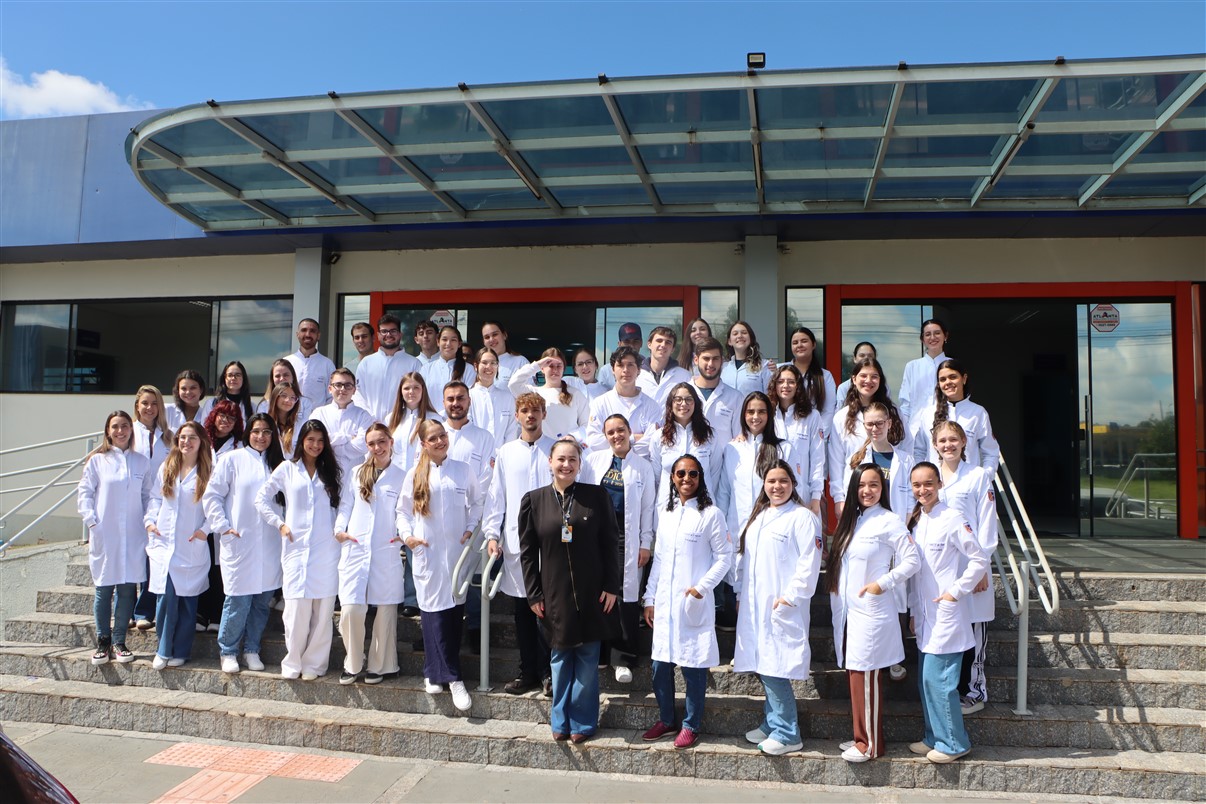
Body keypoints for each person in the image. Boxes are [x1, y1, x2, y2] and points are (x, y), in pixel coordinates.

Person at [518, 438, 621, 743]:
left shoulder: (596, 496)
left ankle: (583, 723)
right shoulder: (534, 501)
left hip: (593, 593)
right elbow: (527, 553)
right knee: (560, 660)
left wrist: (611, 586)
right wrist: (534, 594)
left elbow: (610, 543)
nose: (566, 465)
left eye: (572, 459)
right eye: (561, 459)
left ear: (580, 463)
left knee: (588, 661)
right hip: (554, 594)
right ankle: (560, 720)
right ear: (550, 462)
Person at [826, 464, 920, 763]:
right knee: (855, 674)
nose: (867, 491)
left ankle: (871, 745)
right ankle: (860, 735)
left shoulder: (889, 521)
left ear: (883, 489)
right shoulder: (852, 520)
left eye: (874, 485)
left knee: (865, 676)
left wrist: (883, 583)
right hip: (849, 613)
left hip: (871, 611)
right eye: (862, 485)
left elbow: (913, 560)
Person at [641, 454, 731, 750]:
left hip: (692, 602)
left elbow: (724, 558)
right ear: (672, 477)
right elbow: (659, 560)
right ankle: (667, 719)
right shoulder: (666, 514)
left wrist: (701, 589)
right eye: (681, 473)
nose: (686, 479)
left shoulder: (710, 514)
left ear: (700, 478)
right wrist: (649, 597)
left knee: (693, 667)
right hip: (665, 604)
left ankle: (691, 725)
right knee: (659, 666)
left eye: (693, 474)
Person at [733, 461, 822, 756]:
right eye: (771, 481)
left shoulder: (802, 517)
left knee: (775, 668)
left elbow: (809, 562)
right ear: (764, 484)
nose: (777, 486)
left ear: (793, 484)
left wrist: (790, 597)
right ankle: (772, 723)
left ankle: (787, 732)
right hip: (755, 605)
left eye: (783, 480)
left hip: (782, 604)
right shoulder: (759, 516)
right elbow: (745, 560)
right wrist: (740, 594)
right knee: (764, 665)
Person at [906, 461, 989, 764]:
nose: (923, 490)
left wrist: (956, 591)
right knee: (925, 682)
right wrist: (913, 612)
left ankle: (954, 743)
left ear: (939, 484)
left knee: (939, 681)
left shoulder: (953, 518)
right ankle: (934, 736)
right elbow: (916, 575)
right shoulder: (917, 521)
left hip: (946, 614)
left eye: (928, 483)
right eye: (917, 485)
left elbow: (979, 559)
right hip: (925, 615)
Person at [398, 420, 481, 710]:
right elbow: (402, 512)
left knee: (453, 614)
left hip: (456, 555)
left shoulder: (463, 470)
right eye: (432, 438)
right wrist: (408, 537)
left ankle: (433, 672)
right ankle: (454, 678)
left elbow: (477, 503)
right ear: (423, 444)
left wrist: (470, 528)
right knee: (434, 615)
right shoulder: (414, 474)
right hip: (428, 554)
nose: (440, 441)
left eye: (442, 435)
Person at [255, 420, 342, 681]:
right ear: (301, 441)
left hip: (326, 549)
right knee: (294, 612)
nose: (315, 445)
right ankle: (292, 661)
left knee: (323, 612)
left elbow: (341, 506)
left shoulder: (332, 471)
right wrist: (279, 523)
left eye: (320, 440)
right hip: (296, 549)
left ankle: (314, 665)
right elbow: (261, 498)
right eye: (310, 439)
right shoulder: (287, 469)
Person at [483, 392, 556, 695]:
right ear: (516, 416)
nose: (530, 415)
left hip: (551, 543)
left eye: (536, 410)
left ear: (544, 414)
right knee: (523, 612)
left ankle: (549, 674)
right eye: (525, 411)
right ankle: (528, 673)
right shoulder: (507, 452)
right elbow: (496, 496)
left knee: (548, 611)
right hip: (517, 543)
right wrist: (492, 534)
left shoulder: (555, 449)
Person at [202, 413, 285, 674]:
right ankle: (228, 650)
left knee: (261, 602)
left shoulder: (279, 464)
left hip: (270, 544)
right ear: (248, 433)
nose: (261, 437)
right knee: (237, 601)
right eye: (256, 431)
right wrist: (223, 527)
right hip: (239, 541)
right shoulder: (232, 459)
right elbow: (212, 496)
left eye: (267, 432)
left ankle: (251, 649)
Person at [581, 414, 656, 684]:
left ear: (629, 431)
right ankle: (600, 654)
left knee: (625, 595)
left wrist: (645, 543)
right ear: (605, 436)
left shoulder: (643, 467)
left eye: (621, 430)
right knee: (598, 591)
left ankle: (622, 658)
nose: (616, 436)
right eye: (610, 432)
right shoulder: (593, 461)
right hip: (597, 537)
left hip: (627, 537)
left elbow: (648, 508)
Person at [931, 421, 998, 716]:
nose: (948, 445)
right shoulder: (931, 477)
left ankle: (974, 691)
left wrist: (981, 567)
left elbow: (987, 522)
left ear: (963, 442)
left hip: (972, 566)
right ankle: (948, 691)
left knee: (973, 627)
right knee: (949, 628)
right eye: (942, 440)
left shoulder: (978, 476)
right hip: (941, 568)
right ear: (935, 445)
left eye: (953, 439)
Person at [77, 411, 153, 666]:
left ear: (131, 430)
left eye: (125, 426)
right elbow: (85, 493)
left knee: (128, 589)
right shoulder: (98, 461)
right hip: (105, 533)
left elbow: (148, 496)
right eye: (115, 427)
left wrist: (149, 521)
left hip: (133, 534)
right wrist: (92, 522)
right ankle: (103, 641)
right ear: (108, 431)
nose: (120, 431)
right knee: (104, 588)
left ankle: (119, 641)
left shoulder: (141, 462)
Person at [333, 424, 405, 686]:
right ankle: (352, 663)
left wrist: (403, 534)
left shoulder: (402, 476)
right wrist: (339, 530)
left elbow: (405, 511)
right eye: (372, 443)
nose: (377, 447)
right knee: (351, 608)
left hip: (386, 548)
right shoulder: (356, 473)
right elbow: (345, 505)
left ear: (391, 442)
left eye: (382, 441)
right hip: (356, 545)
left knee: (386, 609)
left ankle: (381, 665)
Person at [145, 422, 212, 670]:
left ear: (201, 441)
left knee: (187, 601)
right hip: (164, 542)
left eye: (192, 438)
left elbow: (216, 507)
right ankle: (163, 650)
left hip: (191, 544)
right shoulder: (168, 466)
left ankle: (181, 651)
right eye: (182, 437)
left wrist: (205, 530)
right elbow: (155, 498)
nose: (186, 442)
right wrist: (150, 521)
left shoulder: (209, 471)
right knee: (166, 599)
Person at [441, 380, 496, 651]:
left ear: (468, 401)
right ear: (443, 403)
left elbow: (487, 476)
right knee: (444, 575)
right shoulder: (436, 434)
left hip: (475, 515)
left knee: (473, 573)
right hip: (441, 517)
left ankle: (475, 629)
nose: (455, 403)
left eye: (460, 398)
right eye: (450, 399)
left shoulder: (484, 437)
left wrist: (469, 505)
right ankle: (442, 633)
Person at [829, 358, 909, 516]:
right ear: (854, 379)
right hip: (856, 494)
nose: (868, 381)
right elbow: (836, 462)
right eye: (863, 376)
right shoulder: (841, 417)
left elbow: (907, 451)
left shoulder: (895, 413)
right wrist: (839, 499)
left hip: (891, 493)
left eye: (874, 376)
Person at [197, 401, 244, 632]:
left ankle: (216, 614)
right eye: (222, 416)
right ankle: (200, 614)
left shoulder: (239, 446)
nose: (225, 421)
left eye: (231, 418)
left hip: (223, 509)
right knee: (201, 562)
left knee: (218, 566)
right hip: (198, 508)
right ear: (213, 416)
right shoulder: (202, 441)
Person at [130, 385, 172, 631]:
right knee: (131, 558)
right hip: (131, 503)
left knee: (152, 559)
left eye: (155, 403)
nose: (149, 408)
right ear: (137, 406)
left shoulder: (168, 436)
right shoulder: (129, 431)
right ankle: (127, 610)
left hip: (158, 503)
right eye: (145, 403)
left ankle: (144, 611)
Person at [913, 359, 1001, 474]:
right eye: (943, 379)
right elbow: (918, 452)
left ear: (964, 379)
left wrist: (985, 476)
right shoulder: (928, 414)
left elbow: (991, 452)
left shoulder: (978, 413)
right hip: (936, 483)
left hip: (969, 482)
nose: (948, 382)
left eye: (953, 377)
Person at [769, 365, 825, 515]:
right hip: (773, 495)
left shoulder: (812, 416)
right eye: (780, 381)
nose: (785, 386)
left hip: (803, 495)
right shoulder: (768, 415)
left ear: (798, 386)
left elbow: (818, 459)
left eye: (791, 382)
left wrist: (816, 497)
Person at [646, 383, 718, 496]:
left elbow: (715, 474)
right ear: (671, 403)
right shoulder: (659, 436)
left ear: (695, 403)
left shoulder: (709, 435)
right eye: (678, 399)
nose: (683, 404)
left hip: (701, 502)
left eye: (689, 399)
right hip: (668, 502)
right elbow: (656, 476)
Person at [585, 347, 661, 453]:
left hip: (641, 463)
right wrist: (634, 438)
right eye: (620, 365)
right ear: (613, 370)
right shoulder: (600, 403)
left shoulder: (652, 406)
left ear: (639, 370)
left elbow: (654, 442)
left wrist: (614, 441)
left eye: (630, 365)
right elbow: (594, 442)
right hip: (609, 463)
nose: (625, 370)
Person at [509, 349, 589, 440]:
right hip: (543, 447)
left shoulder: (575, 394)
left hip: (569, 446)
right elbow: (513, 384)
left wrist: (573, 437)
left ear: (564, 368)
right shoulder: (534, 394)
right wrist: (536, 365)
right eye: (550, 365)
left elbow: (587, 424)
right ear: (542, 369)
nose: (555, 370)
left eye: (559, 366)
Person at [353, 314, 421, 421]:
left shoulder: (414, 363)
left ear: (400, 334)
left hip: (402, 423)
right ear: (378, 335)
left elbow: (417, 395)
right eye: (384, 331)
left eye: (393, 331)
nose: (388, 335)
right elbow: (358, 395)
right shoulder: (366, 363)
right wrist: (370, 420)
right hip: (370, 424)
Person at [308, 368, 374, 478]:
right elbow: (314, 442)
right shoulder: (318, 414)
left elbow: (362, 446)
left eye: (348, 385)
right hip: (323, 475)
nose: (343, 389)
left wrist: (332, 447)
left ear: (354, 390)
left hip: (354, 477)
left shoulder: (364, 416)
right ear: (330, 389)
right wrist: (348, 438)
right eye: (338, 385)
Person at [690, 338, 744, 448]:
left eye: (715, 359)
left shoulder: (735, 397)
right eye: (706, 358)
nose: (710, 364)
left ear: (722, 361)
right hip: (689, 458)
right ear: (696, 360)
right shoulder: (683, 394)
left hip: (724, 458)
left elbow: (739, 438)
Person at [386, 371, 443, 474]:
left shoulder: (434, 419)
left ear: (423, 390)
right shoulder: (390, 419)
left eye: (416, 387)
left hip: (423, 477)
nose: (411, 392)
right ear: (401, 392)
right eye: (406, 388)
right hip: (395, 477)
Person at [899, 318, 950, 421]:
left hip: (947, 424)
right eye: (927, 334)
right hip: (916, 425)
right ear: (922, 339)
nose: (932, 337)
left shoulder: (953, 365)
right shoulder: (912, 367)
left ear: (945, 336)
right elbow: (905, 403)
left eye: (937, 333)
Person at [469, 347, 518, 452]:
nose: (489, 367)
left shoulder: (508, 398)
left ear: (497, 366)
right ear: (476, 366)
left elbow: (512, 430)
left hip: (503, 456)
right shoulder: (468, 396)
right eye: (484, 363)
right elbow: (469, 429)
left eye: (493, 363)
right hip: (476, 455)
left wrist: (504, 455)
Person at [788, 326, 837, 424]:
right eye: (795, 343)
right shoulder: (780, 370)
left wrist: (820, 432)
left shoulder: (825, 376)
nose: (799, 345)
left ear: (813, 345)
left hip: (814, 429)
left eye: (804, 341)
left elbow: (828, 411)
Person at [421, 326, 476, 414]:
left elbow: (469, 399)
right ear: (438, 342)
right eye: (444, 339)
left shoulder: (468, 369)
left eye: (453, 340)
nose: (448, 343)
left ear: (459, 344)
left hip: (458, 419)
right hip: (430, 419)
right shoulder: (426, 369)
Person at [284, 318, 337, 408]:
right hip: (290, 415)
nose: (308, 334)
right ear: (297, 335)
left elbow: (332, 397)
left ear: (318, 335)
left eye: (312, 331)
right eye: (304, 330)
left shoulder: (327, 364)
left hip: (317, 416)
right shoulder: (287, 362)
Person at [636, 326, 691, 404]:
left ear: (673, 349)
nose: (663, 345)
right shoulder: (636, 374)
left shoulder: (685, 376)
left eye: (668, 342)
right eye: (659, 340)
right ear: (649, 344)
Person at [721, 321, 771, 396]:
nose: (740, 336)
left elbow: (770, 395)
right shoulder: (723, 367)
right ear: (729, 341)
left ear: (750, 338)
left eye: (744, 333)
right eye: (735, 334)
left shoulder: (764, 366)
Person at [835, 342, 893, 406]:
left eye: (870, 356)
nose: (866, 358)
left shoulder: (883, 387)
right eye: (862, 355)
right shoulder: (844, 387)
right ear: (854, 358)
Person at [257, 359, 314, 423]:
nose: (282, 379)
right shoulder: (264, 405)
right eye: (277, 376)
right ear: (272, 379)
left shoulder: (306, 403)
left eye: (286, 375)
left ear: (293, 377)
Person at [594, 322, 643, 390]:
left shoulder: (649, 368)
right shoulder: (606, 371)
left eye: (635, 341)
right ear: (619, 344)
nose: (631, 345)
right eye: (627, 342)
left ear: (641, 343)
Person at [480, 320, 530, 385]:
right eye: (487, 337)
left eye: (495, 334)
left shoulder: (520, 362)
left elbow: (531, 390)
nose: (491, 339)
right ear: (484, 342)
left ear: (504, 335)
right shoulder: (479, 365)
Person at [212, 361, 256, 425]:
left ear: (243, 378)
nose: (233, 378)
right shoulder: (212, 403)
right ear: (224, 378)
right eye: (230, 375)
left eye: (237, 375)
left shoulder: (252, 406)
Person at [267, 383, 302, 454]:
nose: (288, 400)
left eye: (293, 397)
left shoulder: (300, 424)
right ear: (275, 397)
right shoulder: (266, 422)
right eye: (283, 395)